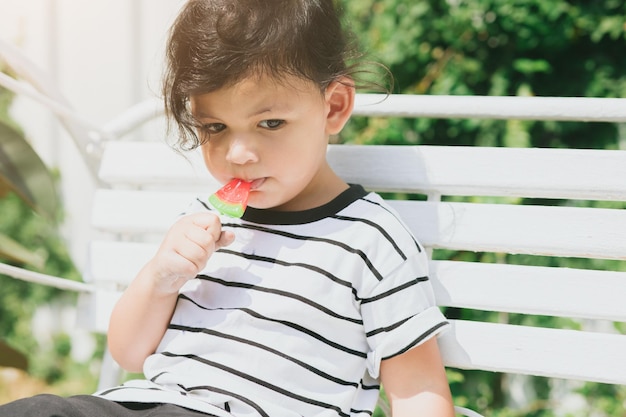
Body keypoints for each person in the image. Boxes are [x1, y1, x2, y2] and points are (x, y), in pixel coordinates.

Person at [0, 0, 454, 416]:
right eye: (215, 126)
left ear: (333, 106)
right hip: (153, 404)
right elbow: (130, 355)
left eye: (270, 123)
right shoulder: (203, 222)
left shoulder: (369, 239)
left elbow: (416, 389)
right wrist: (161, 278)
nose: (238, 153)